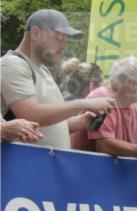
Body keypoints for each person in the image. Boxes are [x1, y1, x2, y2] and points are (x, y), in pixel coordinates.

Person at [1, 9, 114, 148]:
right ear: (36, 33)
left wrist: (79, 122)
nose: (64, 46)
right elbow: (30, 115)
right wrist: (84, 103)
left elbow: (41, 127)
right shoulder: (13, 64)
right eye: (59, 39)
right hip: (25, 160)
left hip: (41, 160)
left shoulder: (42, 70)